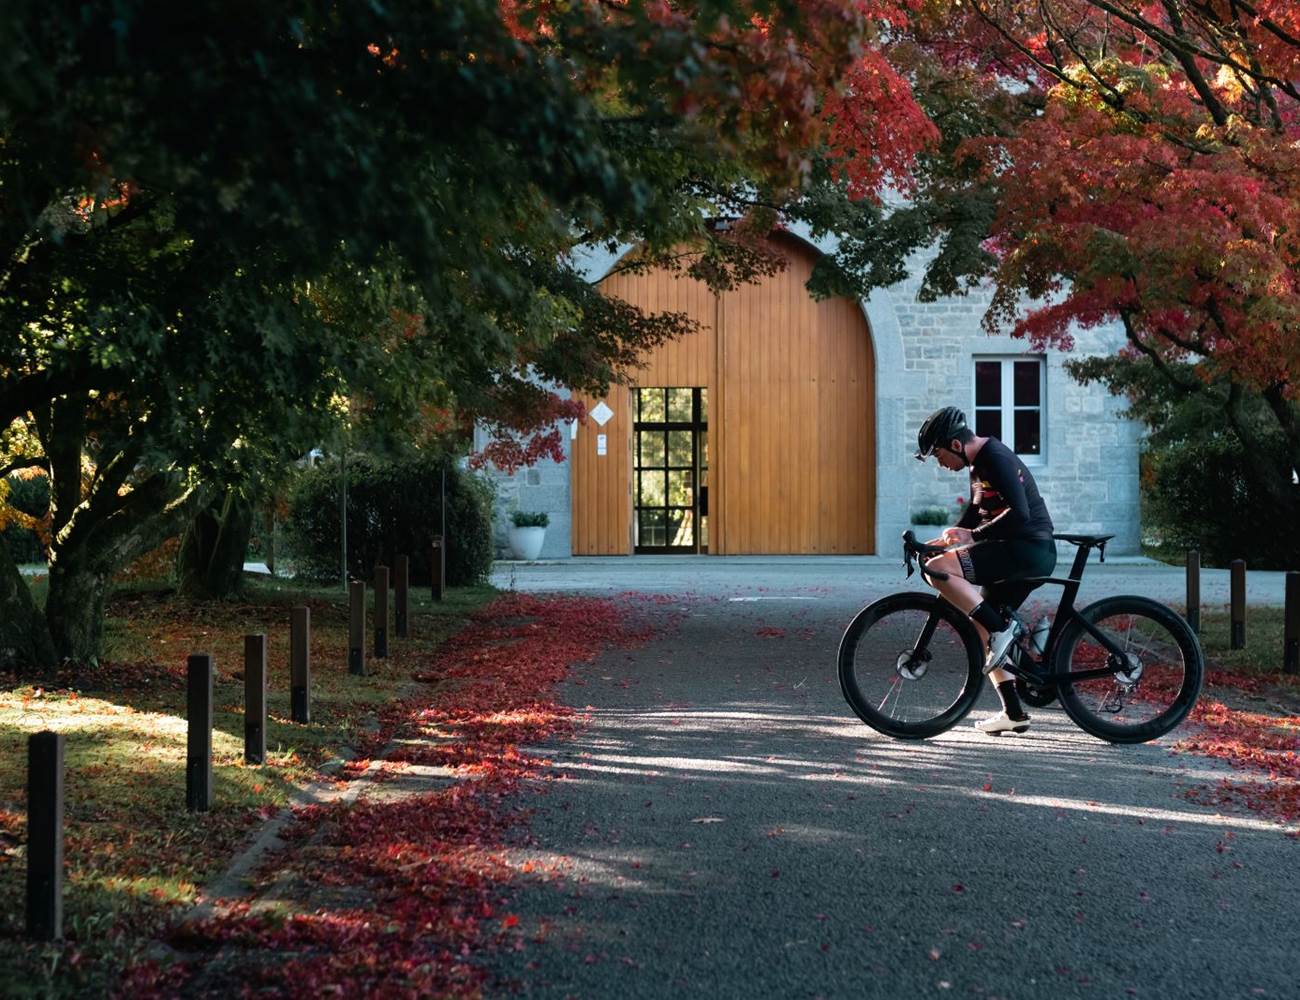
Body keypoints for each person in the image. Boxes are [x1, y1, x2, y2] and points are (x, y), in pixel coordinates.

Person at [913, 406, 1056, 735]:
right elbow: (977, 514)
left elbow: (1019, 514)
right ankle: (1014, 712)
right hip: (1021, 551)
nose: (941, 464)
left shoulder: (994, 457)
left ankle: (1002, 631)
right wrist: (944, 540)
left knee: (939, 571)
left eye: (938, 455)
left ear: (955, 445)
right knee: (981, 623)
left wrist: (972, 537)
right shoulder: (979, 463)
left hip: (1027, 550)